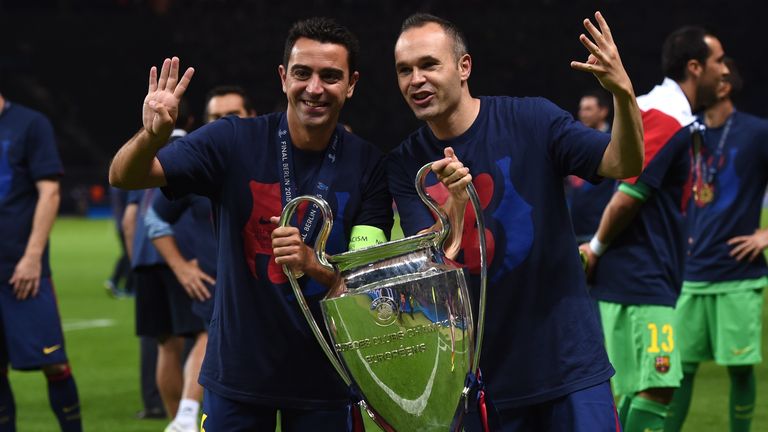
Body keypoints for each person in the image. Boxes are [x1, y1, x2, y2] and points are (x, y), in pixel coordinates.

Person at [109, 17, 393, 431]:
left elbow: (365, 283)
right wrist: (152, 137)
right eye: (302, 73)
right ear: (283, 78)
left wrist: (313, 264)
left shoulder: (368, 165)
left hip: (327, 378)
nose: (314, 88)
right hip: (238, 375)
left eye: (330, 76)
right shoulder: (232, 140)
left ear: (351, 84)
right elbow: (124, 175)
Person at [388, 12, 643, 431]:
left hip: (569, 368)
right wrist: (454, 203)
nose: (416, 79)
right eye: (404, 70)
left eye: (429, 64)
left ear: (463, 66)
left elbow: (624, 162)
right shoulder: (404, 164)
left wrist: (622, 93)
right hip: (481, 385)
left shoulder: (532, 121)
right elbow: (431, 269)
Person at [580, 26, 730, 432]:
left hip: (635, 275)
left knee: (637, 389)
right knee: (658, 386)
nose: (725, 72)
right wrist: (595, 246)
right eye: (719, 62)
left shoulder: (661, 110)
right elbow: (629, 192)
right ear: (695, 67)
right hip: (640, 277)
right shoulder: (666, 114)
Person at [665, 58, 768, 432]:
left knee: (740, 370)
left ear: (723, 86)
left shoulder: (757, 133)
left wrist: (765, 235)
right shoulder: (687, 134)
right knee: (679, 371)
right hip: (689, 276)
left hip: (738, 276)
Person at [145, 87, 254, 432]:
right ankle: (186, 416)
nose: (223, 126)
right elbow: (154, 219)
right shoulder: (202, 168)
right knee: (206, 337)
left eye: (232, 117)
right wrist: (180, 266)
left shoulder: (275, 159)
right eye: (215, 119)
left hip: (269, 291)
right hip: (217, 282)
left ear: (252, 117)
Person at [0, 94, 82, 431]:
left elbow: (50, 192)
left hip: (22, 270)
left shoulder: (30, 124)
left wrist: (33, 256)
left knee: (53, 363)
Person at [567, 89, 615, 244]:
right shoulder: (574, 141)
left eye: (589, 109)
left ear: (603, 111)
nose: (583, 113)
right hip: (574, 231)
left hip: (599, 233)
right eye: (581, 109)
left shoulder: (614, 143)